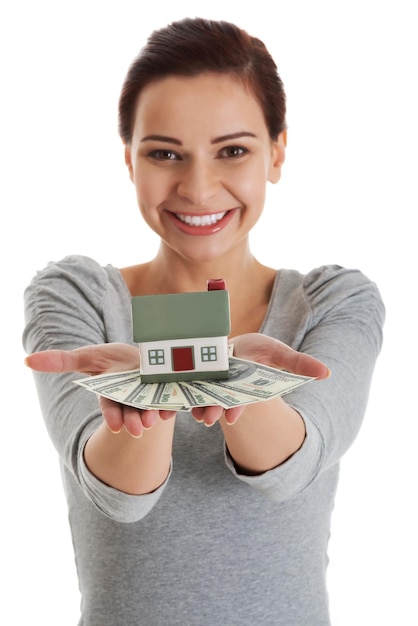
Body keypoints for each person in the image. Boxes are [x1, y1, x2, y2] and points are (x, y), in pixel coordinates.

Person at [23, 17, 385, 626]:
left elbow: (290, 467)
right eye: (164, 153)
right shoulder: (77, 295)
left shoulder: (334, 302)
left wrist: (199, 372)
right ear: (129, 161)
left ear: (277, 153)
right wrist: (164, 384)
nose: (197, 188)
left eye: (233, 151)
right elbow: (119, 497)